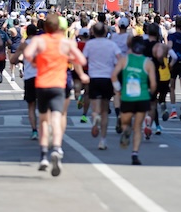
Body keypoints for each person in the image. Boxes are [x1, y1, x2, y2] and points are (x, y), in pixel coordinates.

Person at [23, 14, 88, 176]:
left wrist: (36, 62)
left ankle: (43, 155)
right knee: (57, 118)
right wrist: (68, 57)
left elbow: (27, 54)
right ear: (60, 27)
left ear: (45, 27)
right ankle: (57, 148)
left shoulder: (39, 40)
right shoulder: (66, 42)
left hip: (42, 84)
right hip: (58, 84)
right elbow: (82, 60)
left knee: (43, 121)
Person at [111, 36, 157, 165]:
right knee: (138, 127)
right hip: (142, 97)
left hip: (127, 97)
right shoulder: (148, 63)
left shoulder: (124, 60)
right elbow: (153, 84)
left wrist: (118, 89)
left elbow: (113, 76)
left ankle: (126, 131)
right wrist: (150, 93)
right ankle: (135, 153)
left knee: (125, 122)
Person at [82, 22, 121, 150]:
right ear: (105, 32)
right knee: (105, 110)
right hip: (107, 78)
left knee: (95, 108)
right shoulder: (112, 45)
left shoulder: (89, 44)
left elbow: (83, 60)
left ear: (93, 32)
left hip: (94, 77)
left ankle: (95, 117)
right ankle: (102, 140)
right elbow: (120, 59)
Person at [11, 24, 40, 140]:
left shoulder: (24, 45)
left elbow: (13, 60)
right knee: (44, 105)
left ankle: (34, 130)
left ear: (27, 33)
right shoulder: (42, 43)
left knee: (31, 106)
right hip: (43, 77)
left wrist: (20, 61)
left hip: (30, 77)